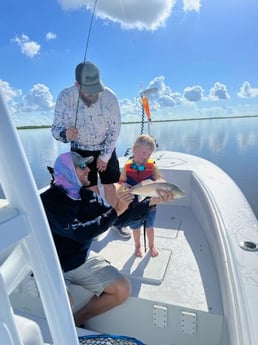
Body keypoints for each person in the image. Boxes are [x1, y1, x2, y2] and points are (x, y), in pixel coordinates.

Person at [40, 151, 175, 326]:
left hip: (80, 259)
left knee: (122, 290)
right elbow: (78, 232)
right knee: (65, 302)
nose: (88, 169)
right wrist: (116, 210)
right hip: (53, 264)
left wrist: (150, 203)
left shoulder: (88, 196)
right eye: (81, 166)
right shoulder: (49, 201)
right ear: (67, 171)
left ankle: (76, 321)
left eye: (87, 165)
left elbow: (116, 219)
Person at [51, 61, 130, 238]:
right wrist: (65, 134)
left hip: (105, 147)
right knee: (90, 189)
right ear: (77, 85)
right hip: (80, 150)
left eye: (97, 88)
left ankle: (114, 220)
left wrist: (105, 156)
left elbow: (115, 129)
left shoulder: (110, 97)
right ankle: (96, 223)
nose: (95, 94)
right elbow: (55, 130)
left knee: (111, 185)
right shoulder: (65, 97)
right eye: (89, 89)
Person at [112, 134, 160, 257]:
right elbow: (120, 182)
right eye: (143, 153)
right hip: (133, 205)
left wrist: (159, 185)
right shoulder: (127, 167)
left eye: (148, 155)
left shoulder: (152, 166)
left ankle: (151, 245)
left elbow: (158, 179)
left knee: (150, 226)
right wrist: (124, 186)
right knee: (136, 227)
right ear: (134, 149)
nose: (145, 157)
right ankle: (137, 246)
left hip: (150, 204)